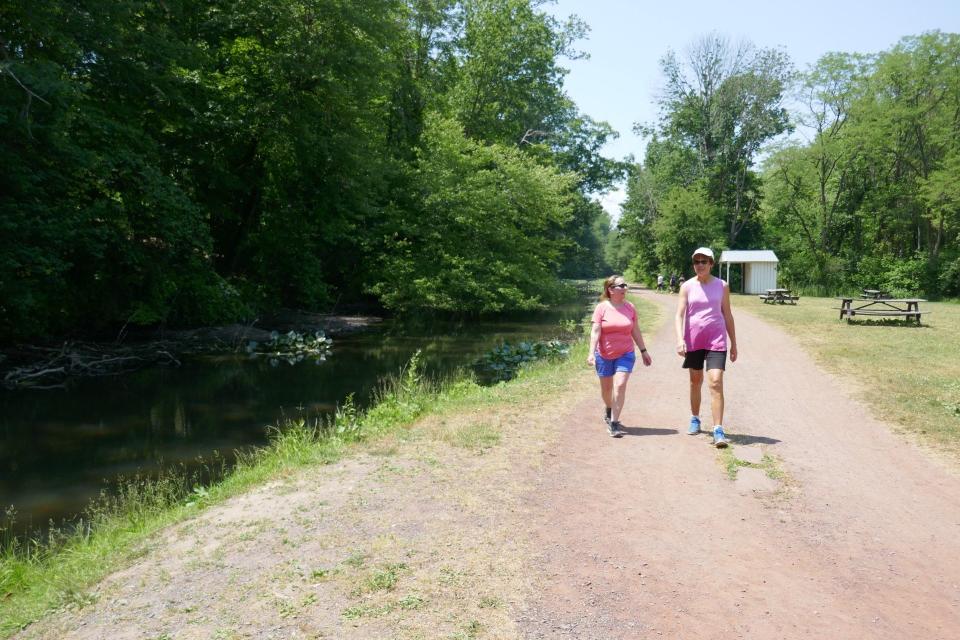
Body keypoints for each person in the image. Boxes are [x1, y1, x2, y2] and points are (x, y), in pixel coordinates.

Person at [675, 248, 738, 447]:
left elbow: (727, 314)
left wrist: (734, 343)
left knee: (716, 381)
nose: (700, 264)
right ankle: (695, 418)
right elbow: (679, 315)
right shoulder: (686, 286)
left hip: (716, 341)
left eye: (704, 261)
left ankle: (718, 429)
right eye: (696, 261)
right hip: (693, 340)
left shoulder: (722, 285)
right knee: (695, 380)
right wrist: (679, 339)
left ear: (711, 263)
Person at [587, 275, 653, 437]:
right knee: (606, 389)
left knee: (620, 385)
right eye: (620, 285)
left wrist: (643, 351)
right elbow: (595, 332)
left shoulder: (630, 307)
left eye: (625, 285)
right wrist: (591, 353)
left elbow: (635, 330)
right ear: (610, 289)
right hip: (604, 355)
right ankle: (609, 409)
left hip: (626, 353)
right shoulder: (601, 308)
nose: (624, 288)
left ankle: (614, 423)